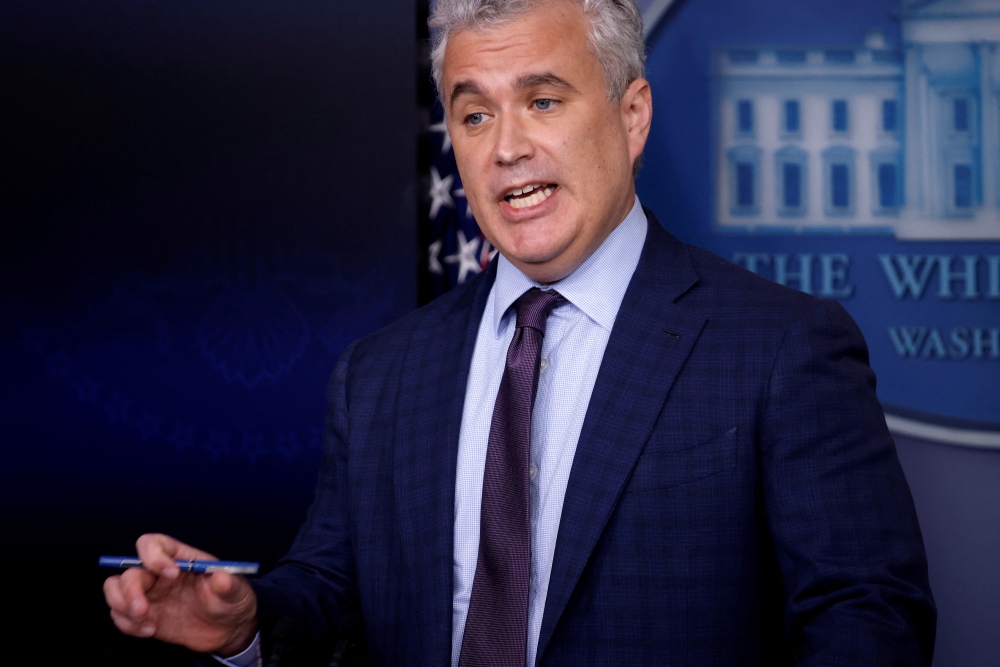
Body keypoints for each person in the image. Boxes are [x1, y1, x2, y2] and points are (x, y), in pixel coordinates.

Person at [104, 1, 936, 665]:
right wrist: (244, 625)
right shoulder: (381, 373)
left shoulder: (782, 347)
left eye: (542, 101)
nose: (507, 148)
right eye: (474, 116)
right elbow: (331, 596)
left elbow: (869, 619)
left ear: (632, 113)